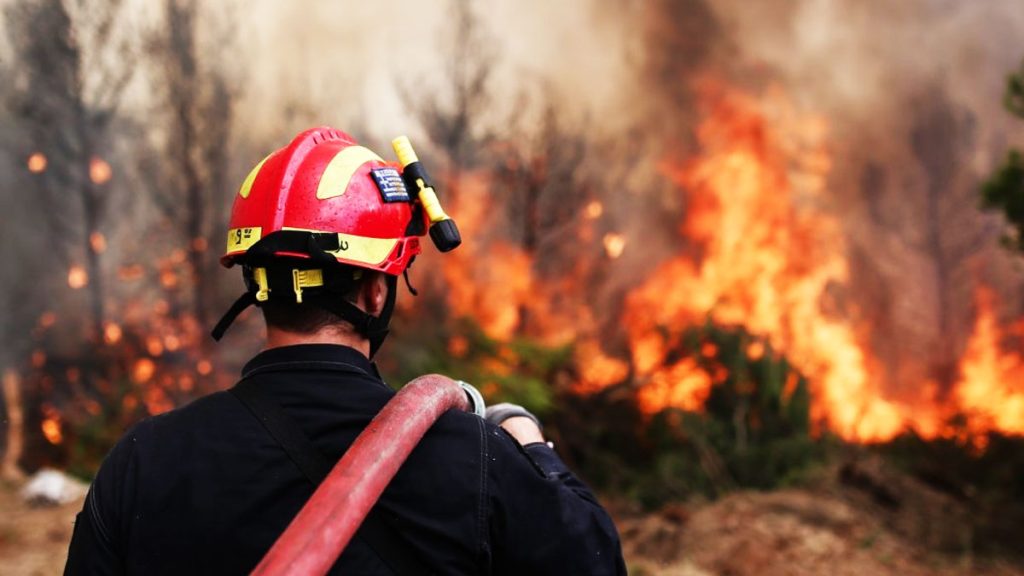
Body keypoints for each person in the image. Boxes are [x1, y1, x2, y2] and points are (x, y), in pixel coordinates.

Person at [64, 127, 626, 575]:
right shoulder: (475, 461)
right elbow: (595, 561)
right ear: (376, 290)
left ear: (255, 283)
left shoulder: (143, 461)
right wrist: (530, 445)